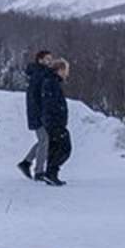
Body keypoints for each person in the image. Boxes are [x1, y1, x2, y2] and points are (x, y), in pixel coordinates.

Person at [17, 50, 54, 180]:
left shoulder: (43, 74)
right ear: (40, 60)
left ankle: (26, 163)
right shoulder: (39, 75)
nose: (50, 61)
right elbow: (36, 97)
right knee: (45, 140)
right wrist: (41, 113)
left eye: (51, 59)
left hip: (40, 113)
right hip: (38, 114)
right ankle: (39, 171)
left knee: (43, 140)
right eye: (47, 59)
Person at [38, 57, 71, 186]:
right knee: (65, 148)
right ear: (60, 70)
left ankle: (51, 174)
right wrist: (57, 117)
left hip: (53, 121)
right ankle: (51, 172)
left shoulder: (52, 82)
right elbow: (51, 103)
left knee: (55, 148)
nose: (67, 74)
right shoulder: (51, 83)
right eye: (66, 70)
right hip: (54, 122)